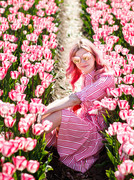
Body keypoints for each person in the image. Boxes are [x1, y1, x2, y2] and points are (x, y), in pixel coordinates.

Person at [42, 38, 115, 173]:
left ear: (95, 56)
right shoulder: (87, 75)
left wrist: (42, 111)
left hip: (96, 134)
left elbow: (74, 99)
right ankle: (32, 141)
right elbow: (74, 103)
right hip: (85, 123)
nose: (81, 62)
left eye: (86, 57)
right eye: (76, 60)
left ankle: (27, 139)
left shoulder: (106, 79)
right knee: (54, 115)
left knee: (58, 113)